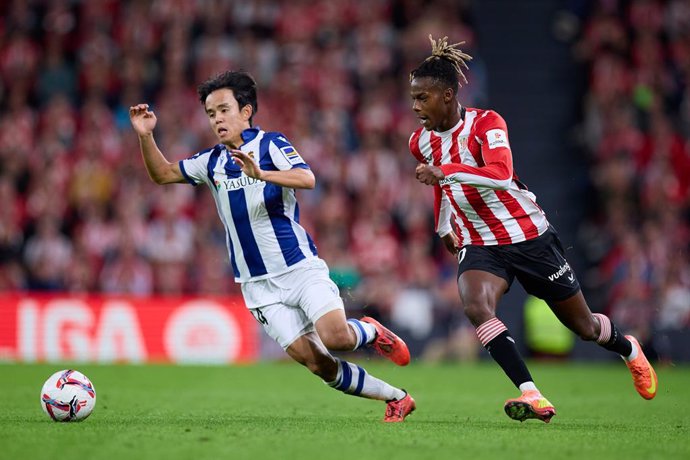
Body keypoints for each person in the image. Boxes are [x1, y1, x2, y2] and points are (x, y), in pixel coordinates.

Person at [129, 70, 415, 422]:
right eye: (211, 113)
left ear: (246, 111)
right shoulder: (212, 161)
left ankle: (371, 330)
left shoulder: (271, 145)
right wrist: (146, 136)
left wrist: (261, 174)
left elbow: (306, 178)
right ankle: (397, 398)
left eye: (223, 109)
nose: (217, 119)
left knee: (336, 337)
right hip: (257, 286)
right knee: (319, 364)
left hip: (298, 267)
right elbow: (163, 174)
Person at [408, 36, 658, 423]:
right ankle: (532, 393)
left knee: (586, 326)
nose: (415, 107)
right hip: (479, 242)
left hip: (527, 235)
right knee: (476, 306)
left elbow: (501, 174)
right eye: (413, 98)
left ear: (446, 95)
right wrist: (443, 226)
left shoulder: (487, 123)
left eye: (422, 98)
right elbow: (439, 187)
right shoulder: (419, 142)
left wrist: (446, 170)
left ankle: (629, 350)